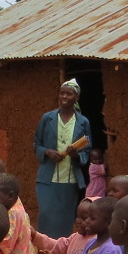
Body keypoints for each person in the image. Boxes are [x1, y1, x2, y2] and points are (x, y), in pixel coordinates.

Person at [33, 79, 92, 237]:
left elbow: (86, 150)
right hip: (47, 178)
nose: (64, 96)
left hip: (70, 179)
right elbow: (36, 144)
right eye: (62, 93)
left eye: (69, 93)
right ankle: (43, 250)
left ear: (76, 98)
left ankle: (60, 253)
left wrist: (76, 155)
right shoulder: (48, 118)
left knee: (65, 217)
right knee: (45, 214)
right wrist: (47, 152)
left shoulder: (83, 122)